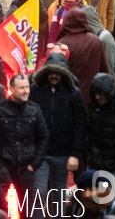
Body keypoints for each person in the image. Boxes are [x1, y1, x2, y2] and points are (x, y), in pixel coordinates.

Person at [0, 74, 49, 218]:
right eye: (21, 88)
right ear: (11, 89)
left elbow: (44, 138)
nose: (26, 91)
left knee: (27, 211)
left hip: (26, 168)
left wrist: (34, 165)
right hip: (2, 168)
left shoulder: (35, 110)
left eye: (27, 87)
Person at [29, 52, 87, 210]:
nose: (54, 76)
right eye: (51, 72)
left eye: (57, 73)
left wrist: (75, 154)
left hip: (62, 153)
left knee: (59, 194)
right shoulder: (36, 91)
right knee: (39, 192)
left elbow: (80, 124)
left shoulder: (73, 93)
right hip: (40, 152)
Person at [58, 8, 109, 105]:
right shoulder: (95, 40)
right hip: (93, 97)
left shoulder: (63, 44)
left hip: (70, 98)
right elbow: (104, 70)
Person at [88, 73, 115, 173]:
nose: (97, 97)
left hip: (114, 167)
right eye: (95, 94)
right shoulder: (94, 108)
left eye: (100, 94)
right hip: (94, 164)